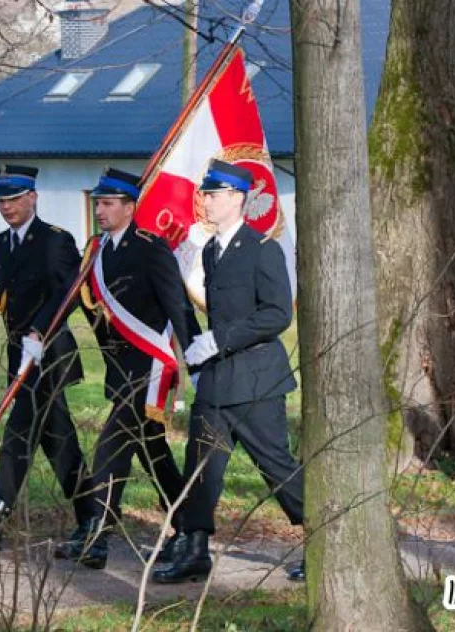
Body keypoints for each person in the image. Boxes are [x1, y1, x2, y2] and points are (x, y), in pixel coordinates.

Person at [34, 168, 201, 569]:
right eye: (98, 204)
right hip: (117, 369)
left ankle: (98, 533)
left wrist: (195, 355)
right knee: (153, 452)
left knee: (112, 446)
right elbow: (66, 295)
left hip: (148, 371)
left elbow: (177, 304)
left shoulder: (150, 248)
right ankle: (189, 526)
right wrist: (38, 331)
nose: (101, 210)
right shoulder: (96, 250)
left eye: (108, 204)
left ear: (130, 207)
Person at [151, 159, 306, 584]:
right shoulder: (211, 251)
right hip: (218, 384)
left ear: (237, 198)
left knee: (276, 466)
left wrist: (220, 339)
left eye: (214, 194)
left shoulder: (263, 249)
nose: (206, 200)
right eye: (205, 193)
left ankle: (326, 541)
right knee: (201, 466)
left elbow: (276, 314)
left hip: (256, 380)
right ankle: (195, 550)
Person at [0, 164, 99, 561]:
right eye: (1, 201)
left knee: (19, 437)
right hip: (19, 354)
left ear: (33, 197)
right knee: (58, 442)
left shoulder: (55, 241)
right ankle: (92, 520)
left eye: (15, 199)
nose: (7, 208)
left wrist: (39, 331)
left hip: (50, 354)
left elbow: (68, 293)